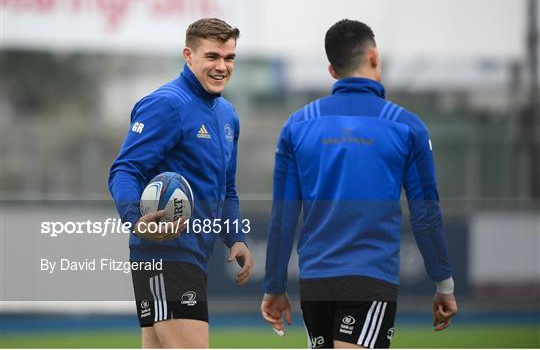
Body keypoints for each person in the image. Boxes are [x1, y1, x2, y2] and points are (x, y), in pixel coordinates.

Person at [261, 19, 458, 349]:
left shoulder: (297, 125)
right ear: (374, 57)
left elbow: (283, 216)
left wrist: (274, 286)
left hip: (315, 283)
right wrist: (444, 283)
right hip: (370, 276)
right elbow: (425, 214)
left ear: (331, 70)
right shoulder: (406, 126)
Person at [109, 18, 253, 348]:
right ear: (188, 55)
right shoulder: (166, 104)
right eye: (212, 57)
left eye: (229, 58)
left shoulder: (228, 114)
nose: (222, 67)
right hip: (163, 255)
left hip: (192, 258)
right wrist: (136, 221)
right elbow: (124, 170)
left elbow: (227, 188)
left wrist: (235, 237)